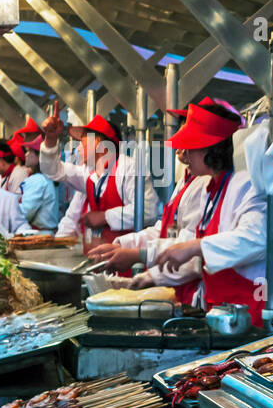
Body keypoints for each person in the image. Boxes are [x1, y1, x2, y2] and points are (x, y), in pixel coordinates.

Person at [151, 100, 273, 332]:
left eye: (190, 147)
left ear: (210, 150)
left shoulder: (249, 185)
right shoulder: (213, 188)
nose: (184, 155)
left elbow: (256, 239)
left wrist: (195, 247)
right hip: (237, 306)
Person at [86, 99, 226, 295]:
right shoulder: (187, 181)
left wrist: (141, 258)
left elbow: (190, 244)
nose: (179, 146)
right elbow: (167, 229)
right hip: (173, 277)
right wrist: (122, 245)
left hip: (191, 283)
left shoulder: (207, 184)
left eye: (187, 136)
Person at [37, 112, 159, 249]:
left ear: (97, 142)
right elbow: (53, 171)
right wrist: (51, 139)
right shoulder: (89, 174)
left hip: (128, 262)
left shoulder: (129, 168)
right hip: (99, 261)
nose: (78, 148)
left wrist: (105, 217)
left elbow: (148, 211)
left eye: (82, 141)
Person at [13, 133, 59, 233]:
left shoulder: (38, 180)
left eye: (30, 151)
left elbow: (25, 212)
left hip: (39, 235)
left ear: (40, 157)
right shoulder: (49, 177)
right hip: (47, 233)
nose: (26, 154)